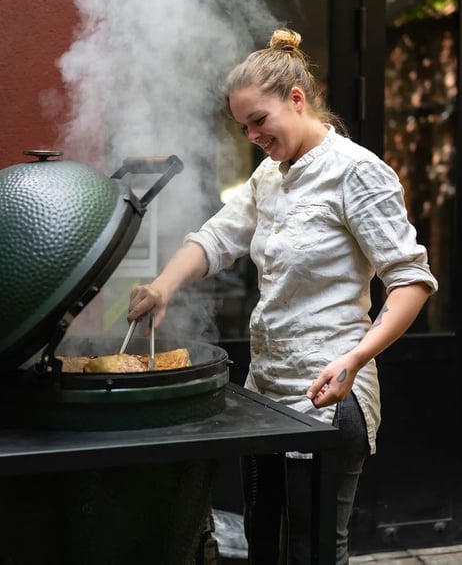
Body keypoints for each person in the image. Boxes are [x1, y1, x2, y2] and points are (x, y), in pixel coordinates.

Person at [127, 28, 438, 564]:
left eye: (258, 120)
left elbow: (410, 279)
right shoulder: (269, 175)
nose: (251, 135)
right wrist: (162, 286)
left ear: (297, 99)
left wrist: (357, 357)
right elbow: (218, 237)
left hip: (331, 392)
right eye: (243, 125)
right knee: (263, 546)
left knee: (312, 549)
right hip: (265, 396)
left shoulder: (356, 171)